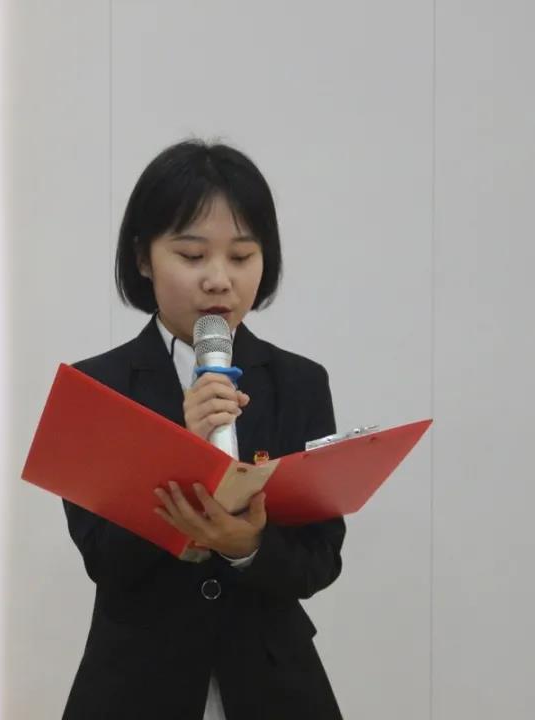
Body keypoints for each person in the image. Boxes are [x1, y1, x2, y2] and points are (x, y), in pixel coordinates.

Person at [62, 139, 345, 720]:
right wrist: (179, 441)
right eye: (192, 255)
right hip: (134, 686)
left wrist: (249, 549)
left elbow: (319, 561)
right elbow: (103, 561)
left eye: (241, 257)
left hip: (273, 685)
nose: (219, 280)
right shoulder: (96, 388)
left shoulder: (300, 382)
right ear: (144, 258)